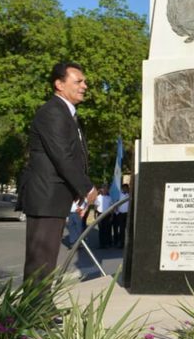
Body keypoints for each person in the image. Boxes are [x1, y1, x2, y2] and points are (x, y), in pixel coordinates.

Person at [19, 62, 97, 288]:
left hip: (54, 196)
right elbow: (62, 156)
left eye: (84, 81)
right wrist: (87, 188)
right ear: (59, 84)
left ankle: (41, 308)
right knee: (40, 260)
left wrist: (75, 192)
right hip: (45, 196)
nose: (85, 85)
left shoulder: (67, 113)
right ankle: (33, 313)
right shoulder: (52, 112)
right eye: (78, 81)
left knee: (46, 260)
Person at [112, 183, 130, 248]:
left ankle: (127, 243)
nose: (125, 189)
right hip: (121, 214)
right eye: (124, 188)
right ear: (122, 188)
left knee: (128, 229)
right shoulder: (119, 195)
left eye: (126, 188)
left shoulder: (130, 195)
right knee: (121, 229)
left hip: (128, 214)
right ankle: (122, 243)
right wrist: (116, 211)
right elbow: (116, 203)